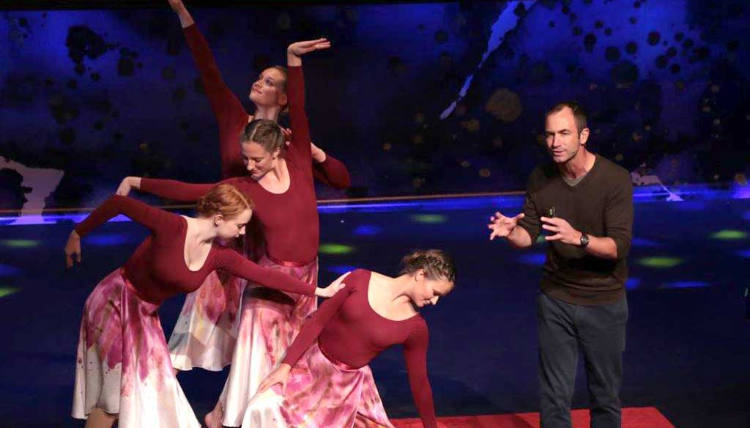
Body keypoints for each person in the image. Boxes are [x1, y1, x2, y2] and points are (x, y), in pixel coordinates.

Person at [116, 38, 338, 427]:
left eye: (255, 159)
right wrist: (139, 181)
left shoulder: (299, 158)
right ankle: (221, 414)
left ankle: (223, 413)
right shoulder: (245, 188)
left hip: (307, 275)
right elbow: (193, 192)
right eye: (246, 159)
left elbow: (300, 111)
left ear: (276, 153)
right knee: (250, 353)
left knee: (291, 355)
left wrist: (293, 60)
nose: (248, 166)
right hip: (266, 273)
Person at [68, 184, 342, 428]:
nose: (242, 232)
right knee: (115, 392)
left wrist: (318, 290)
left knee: (148, 387)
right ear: (219, 219)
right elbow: (119, 203)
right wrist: (78, 233)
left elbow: (266, 275)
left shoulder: (218, 256)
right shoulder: (171, 226)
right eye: (240, 225)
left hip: (144, 314)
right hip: (114, 301)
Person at [488, 101, 633, 428]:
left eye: (564, 133)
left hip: (603, 301)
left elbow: (618, 247)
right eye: (550, 134)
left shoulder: (614, 179)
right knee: (554, 397)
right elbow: (530, 235)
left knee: (605, 396)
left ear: (583, 135)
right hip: (555, 299)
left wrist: (578, 237)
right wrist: (513, 232)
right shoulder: (540, 177)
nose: (555, 142)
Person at [245, 250, 456, 428]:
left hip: (346, 387)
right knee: (262, 409)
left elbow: (419, 382)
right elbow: (318, 320)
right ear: (420, 275)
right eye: (435, 292)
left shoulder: (415, 327)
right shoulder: (360, 279)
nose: (435, 301)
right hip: (308, 367)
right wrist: (286, 366)